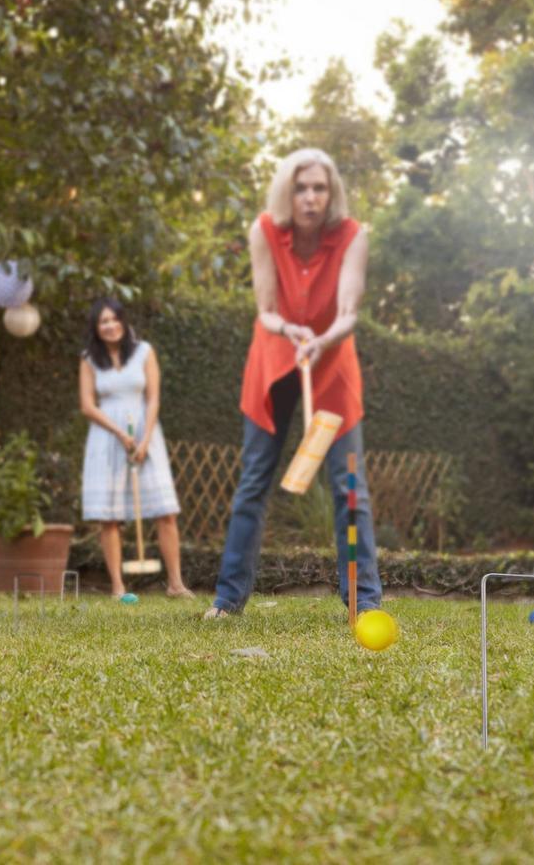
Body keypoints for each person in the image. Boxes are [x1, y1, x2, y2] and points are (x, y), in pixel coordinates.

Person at [204, 148, 383, 619]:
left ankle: (363, 602)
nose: (310, 197)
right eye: (300, 187)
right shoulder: (263, 231)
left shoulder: (352, 236)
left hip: (332, 367)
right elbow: (266, 310)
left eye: (319, 187)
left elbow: (348, 313)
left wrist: (322, 339)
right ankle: (227, 600)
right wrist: (290, 330)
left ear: (332, 192)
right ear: (287, 191)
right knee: (254, 482)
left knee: (350, 489)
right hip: (274, 363)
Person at [79, 298, 192, 599]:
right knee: (110, 516)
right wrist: (119, 434)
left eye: (115, 319)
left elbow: (153, 398)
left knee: (165, 510)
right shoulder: (89, 358)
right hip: (107, 438)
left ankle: (176, 584)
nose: (110, 325)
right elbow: (88, 406)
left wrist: (143, 440)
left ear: (123, 322)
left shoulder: (144, 352)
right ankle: (118, 586)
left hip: (145, 433)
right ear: (96, 327)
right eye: (103, 321)